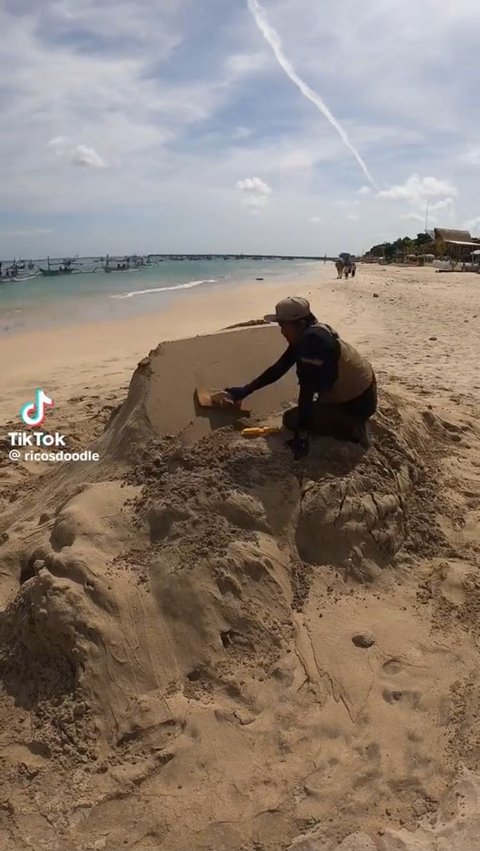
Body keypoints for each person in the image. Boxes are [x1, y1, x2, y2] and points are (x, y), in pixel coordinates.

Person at [225, 297, 377, 459]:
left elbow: (307, 391)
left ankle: (353, 428)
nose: (282, 331)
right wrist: (246, 390)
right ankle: (342, 419)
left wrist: (302, 436)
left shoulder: (313, 344)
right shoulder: (311, 333)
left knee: (291, 419)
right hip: (362, 389)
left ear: (299, 323)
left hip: (357, 403)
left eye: (283, 325)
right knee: (306, 411)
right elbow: (279, 368)